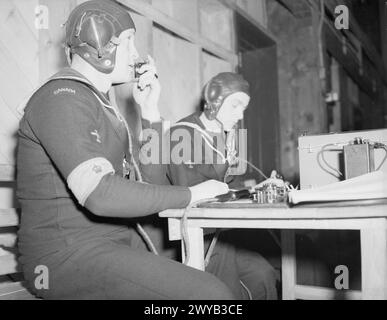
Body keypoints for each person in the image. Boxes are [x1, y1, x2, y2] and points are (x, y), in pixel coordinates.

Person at [16, 0, 234, 300]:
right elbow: (101, 196)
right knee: (211, 294)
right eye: (129, 42)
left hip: (111, 240)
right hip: (59, 260)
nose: (136, 54)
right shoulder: (61, 97)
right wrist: (192, 194)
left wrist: (150, 114)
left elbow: (151, 186)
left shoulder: (101, 104)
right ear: (100, 44)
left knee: (225, 263)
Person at [166, 72, 280, 300]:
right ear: (215, 101)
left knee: (264, 274)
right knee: (226, 292)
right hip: (196, 233)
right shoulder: (182, 134)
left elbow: (228, 183)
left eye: (244, 108)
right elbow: (189, 193)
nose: (240, 114)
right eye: (235, 105)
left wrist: (258, 187)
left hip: (220, 231)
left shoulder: (222, 136)